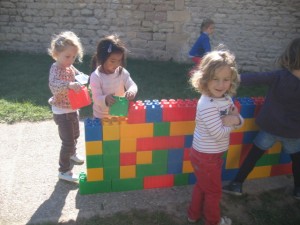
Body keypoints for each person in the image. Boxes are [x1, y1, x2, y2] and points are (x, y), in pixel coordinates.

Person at [222, 37, 300, 200]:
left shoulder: (279, 76)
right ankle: (298, 190)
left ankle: (237, 184)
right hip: (293, 131)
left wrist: (230, 79)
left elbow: (254, 78)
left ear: (290, 56)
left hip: (270, 127)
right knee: (297, 160)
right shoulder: (279, 76)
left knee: (253, 155)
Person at [187, 49, 244, 225]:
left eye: (226, 79)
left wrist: (234, 120)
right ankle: (213, 221)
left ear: (232, 79)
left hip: (210, 154)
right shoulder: (206, 104)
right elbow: (219, 132)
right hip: (206, 156)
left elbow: (238, 119)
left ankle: (193, 215)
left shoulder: (225, 98)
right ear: (205, 79)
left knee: (203, 186)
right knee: (213, 192)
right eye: (215, 79)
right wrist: (232, 121)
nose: (221, 84)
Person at [48, 31, 85, 183]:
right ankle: (63, 170)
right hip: (61, 111)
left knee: (75, 135)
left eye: (74, 57)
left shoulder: (70, 67)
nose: (71, 60)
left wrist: (82, 77)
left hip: (72, 107)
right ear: (56, 54)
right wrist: (69, 85)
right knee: (67, 141)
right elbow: (54, 85)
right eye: (67, 56)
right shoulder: (55, 68)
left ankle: (72, 154)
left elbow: (77, 73)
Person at [90, 34, 138, 119]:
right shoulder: (96, 76)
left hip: (119, 114)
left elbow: (132, 85)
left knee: (119, 132)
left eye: (119, 60)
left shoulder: (121, 72)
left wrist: (131, 91)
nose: (117, 64)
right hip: (101, 117)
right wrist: (105, 99)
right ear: (102, 58)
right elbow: (96, 98)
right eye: (112, 61)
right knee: (103, 133)